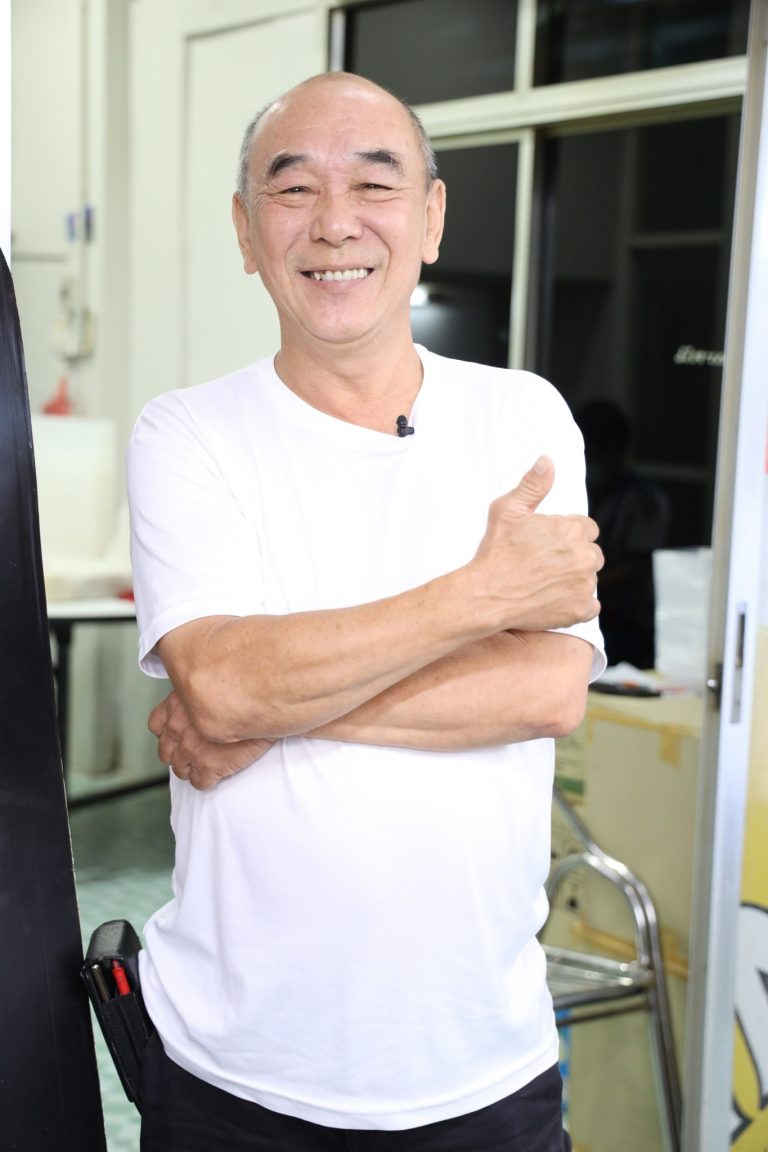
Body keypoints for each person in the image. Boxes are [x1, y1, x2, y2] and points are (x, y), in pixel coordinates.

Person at [127, 72, 605, 1152]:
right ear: (245, 231)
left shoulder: (520, 417)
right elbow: (223, 684)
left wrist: (271, 702)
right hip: (236, 1072)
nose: (334, 222)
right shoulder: (187, 434)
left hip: (483, 1062)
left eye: (375, 184)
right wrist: (480, 599)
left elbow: (546, 691)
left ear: (430, 219)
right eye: (292, 189)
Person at [574, 399, 670, 669]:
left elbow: (640, 564)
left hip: (627, 623)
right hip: (579, 611)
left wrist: (587, 584)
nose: (592, 458)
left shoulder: (643, 499)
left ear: (618, 449)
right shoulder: (577, 490)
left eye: (599, 450)